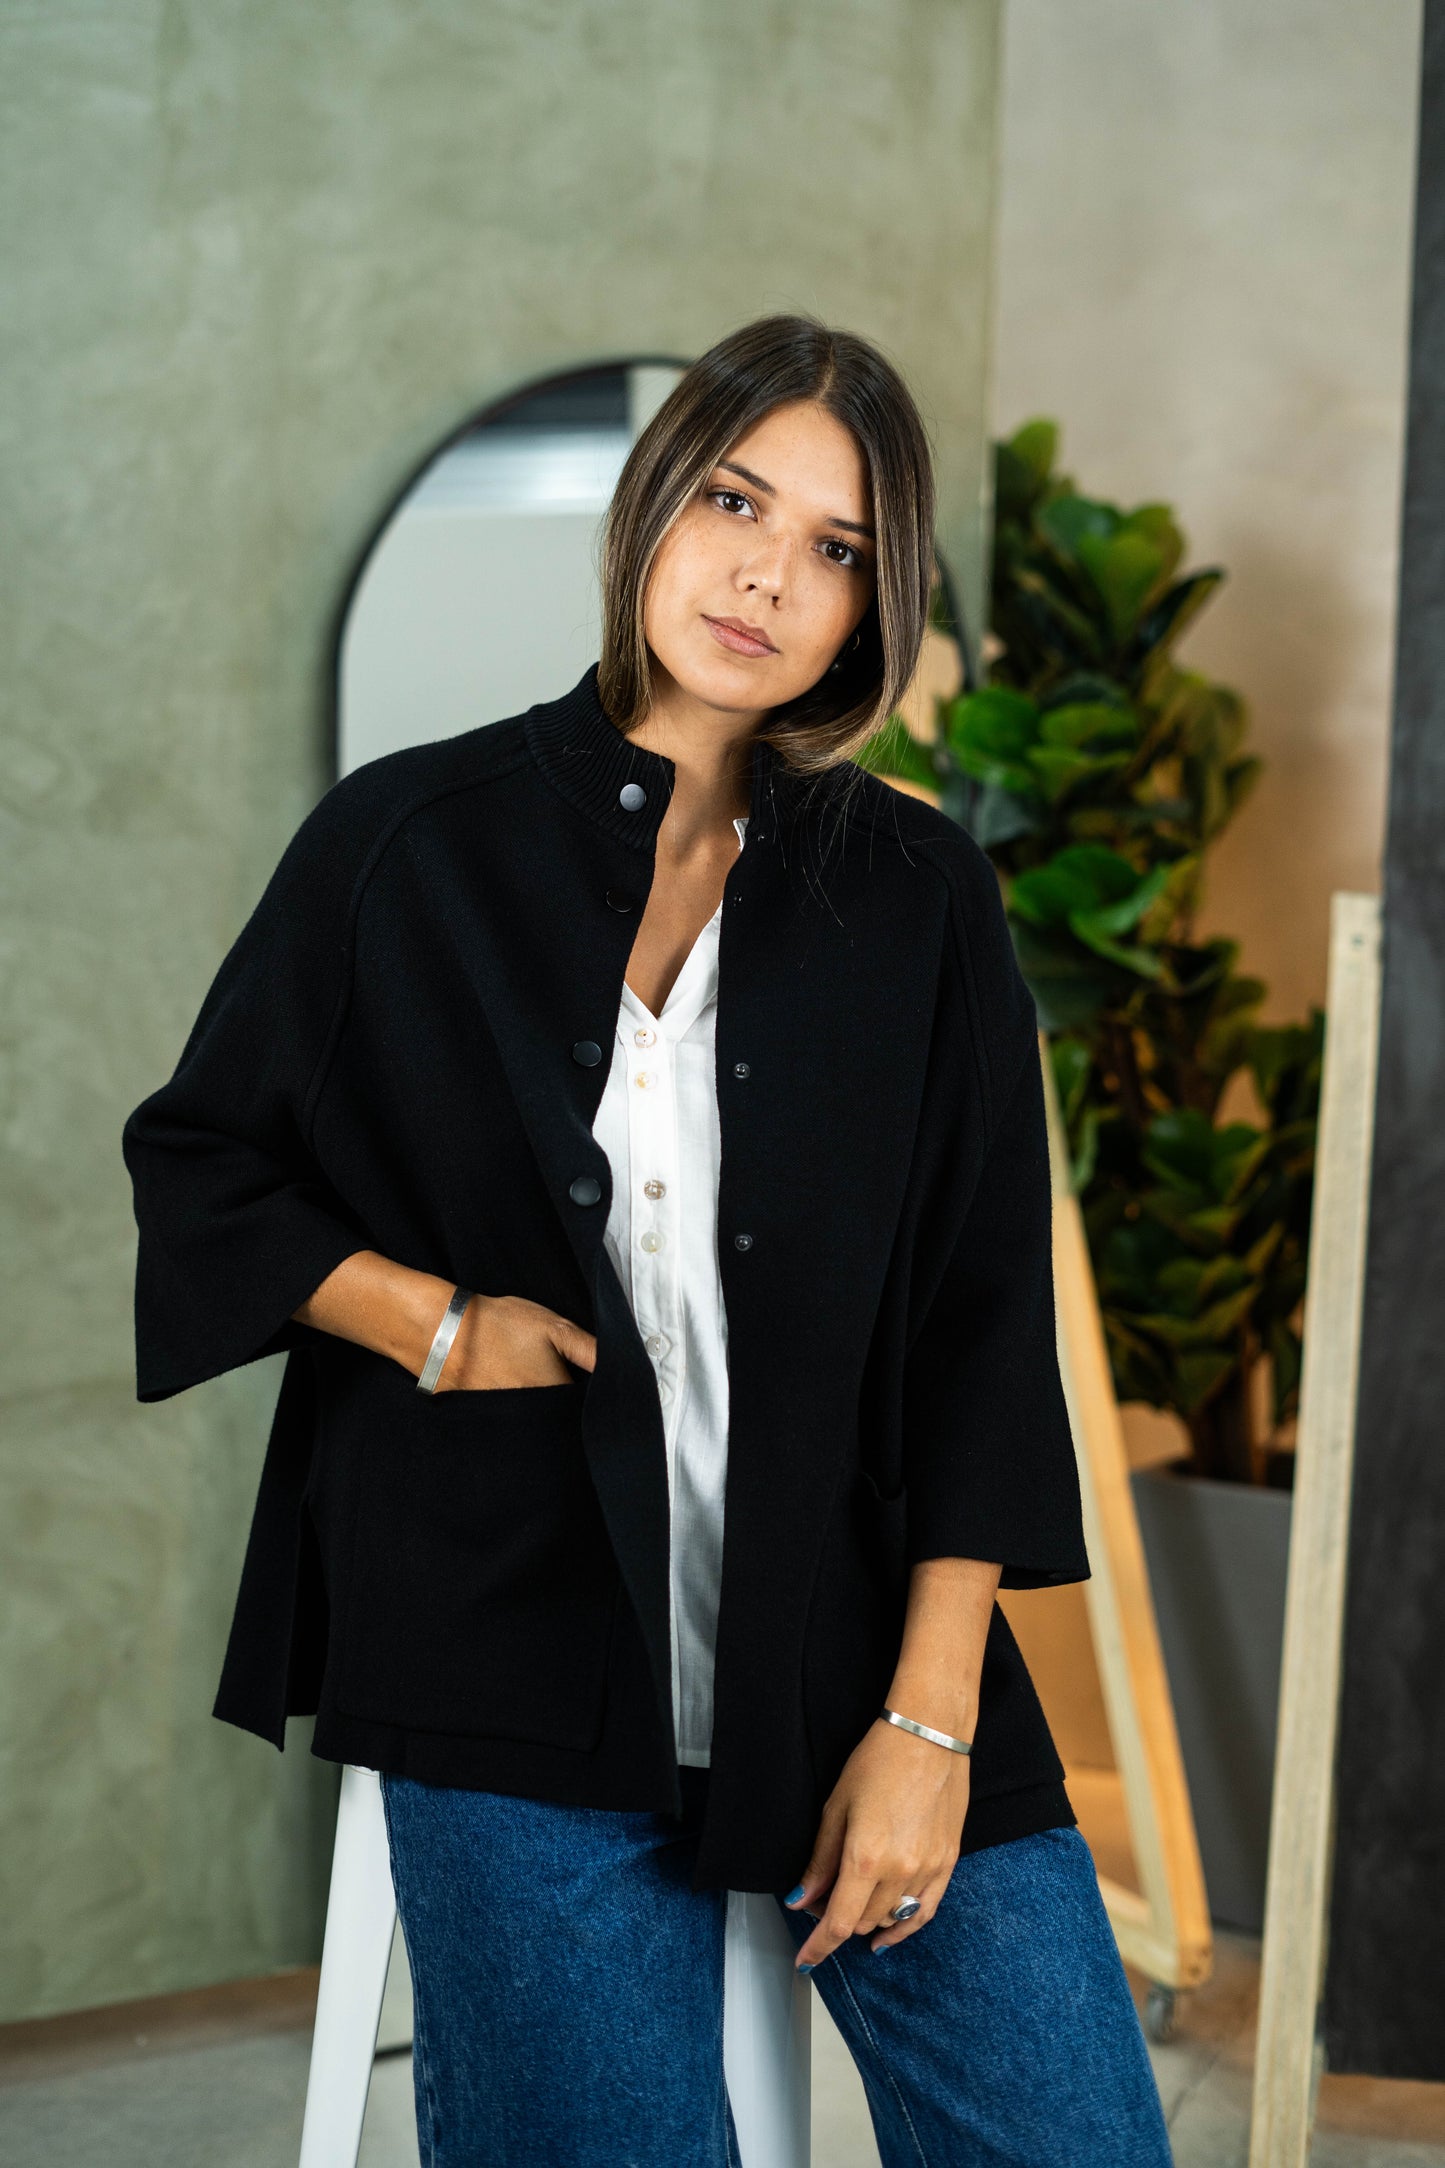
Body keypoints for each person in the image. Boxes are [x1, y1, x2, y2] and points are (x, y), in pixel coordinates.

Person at [122, 314, 1173, 2165]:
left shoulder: (916, 893)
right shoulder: (405, 842)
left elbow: (979, 1319)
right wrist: (433, 1324)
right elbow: (205, 1160)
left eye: (836, 549)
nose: (768, 576)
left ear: (871, 610)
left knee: (1073, 2136)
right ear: (651, 507)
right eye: (735, 503)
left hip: (861, 1629)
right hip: (502, 1631)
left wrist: (931, 1721)